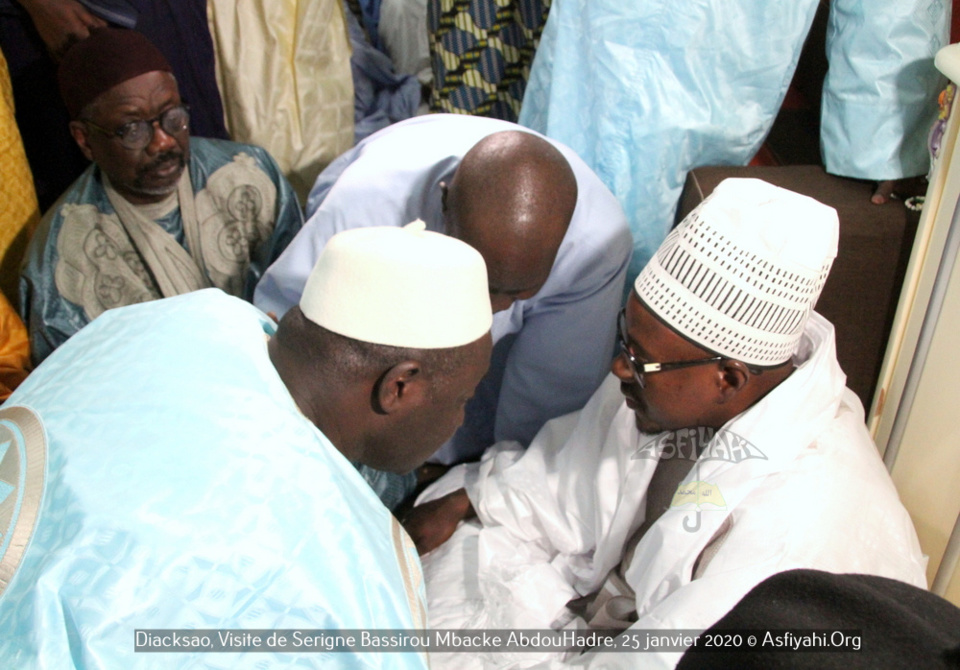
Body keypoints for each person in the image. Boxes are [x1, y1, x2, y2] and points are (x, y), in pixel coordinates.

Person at [405, 178, 927, 669]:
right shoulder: (664, 377)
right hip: (607, 605)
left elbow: (673, 654)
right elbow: (569, 483)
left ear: (728, 377)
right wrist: (470, 501)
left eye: (638, 358)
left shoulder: (798, 527)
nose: (618, 366)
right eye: (625, 340)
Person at [0, 221, 493, 667]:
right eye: (463, 398)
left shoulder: (189, 314)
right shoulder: (342, 580)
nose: (460, 418)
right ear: (399, 387)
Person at [255, 113, 632, 505]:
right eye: (480, 284)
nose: (487, 310)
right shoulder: (367, 202)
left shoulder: (594, 247)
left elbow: (549, 401)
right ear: (444, 201)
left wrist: (476, 489)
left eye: (514, 293)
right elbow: (296, 341)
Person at [518, 0, 949, 283]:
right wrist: (884, 145)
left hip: (691, 45)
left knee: (586, 230)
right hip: (689, 48)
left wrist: (885, 144)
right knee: (572, 224)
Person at [19, 27, 303, 366]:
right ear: (83, 140)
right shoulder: (62, 255)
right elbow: (75, 389)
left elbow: (301, 295)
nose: (163, 142)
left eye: (173, 117)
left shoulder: (251, 174)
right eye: (132, 129)